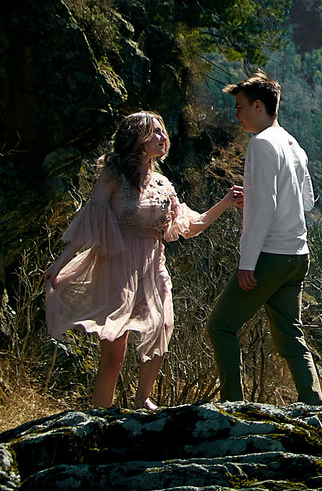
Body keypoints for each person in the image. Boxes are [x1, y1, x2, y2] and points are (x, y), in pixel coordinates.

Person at [43, 109, 238, 410]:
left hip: (153, 267)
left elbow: (191, 225)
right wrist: (59, 264)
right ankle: (100, 417)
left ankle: (142, 398)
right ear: (138, 139)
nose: (164, 137)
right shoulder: (113, 176)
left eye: (163, 131)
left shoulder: (163, 184)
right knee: (113, 357)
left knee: (163, 326)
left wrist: (225, 202)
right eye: (155, 132)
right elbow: (89, 223)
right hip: (117, 268)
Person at [208, 73, 322, 404]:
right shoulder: (291, 143)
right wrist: (258, 195)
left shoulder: (260, 144)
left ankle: (233, 405)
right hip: (297, 256)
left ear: (258, 106)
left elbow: (266, 208)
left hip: (269, 257)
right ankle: (315, 408)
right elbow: (306, 201)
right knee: (291, 337)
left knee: (221, 326)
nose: (237, 114)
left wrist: (247, 262)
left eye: (240, 107)